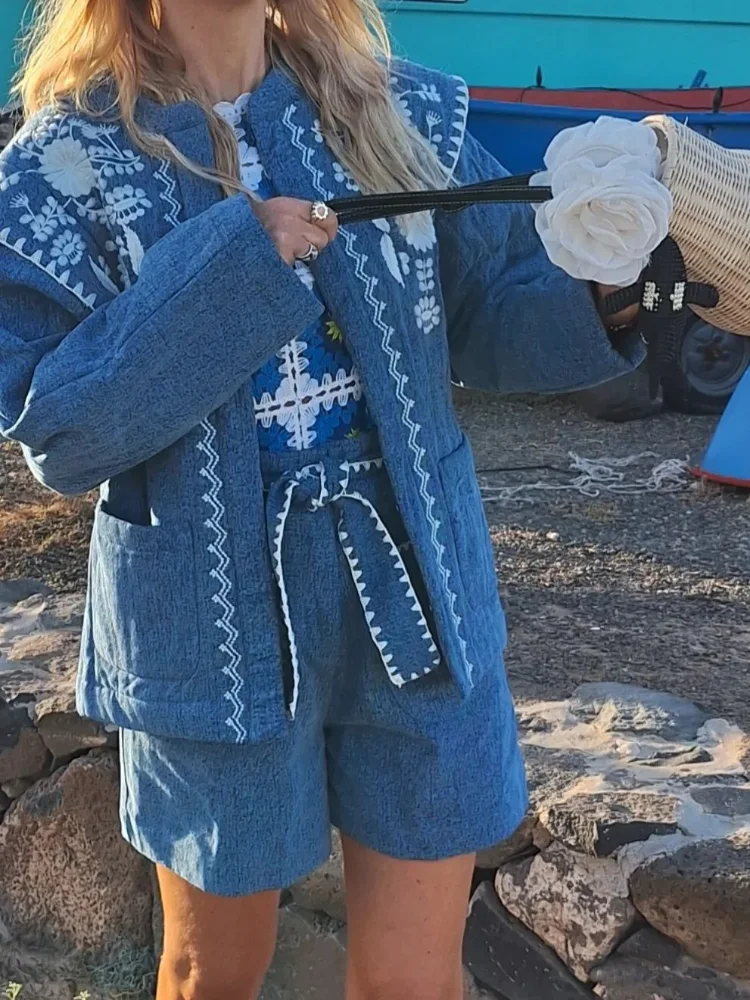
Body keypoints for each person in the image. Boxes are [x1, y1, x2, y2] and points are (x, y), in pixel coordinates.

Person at [0, 1, 641, 997]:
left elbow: (486, 317)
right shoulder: (65, 164)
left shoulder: (400, 116)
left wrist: (608, 292)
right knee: (213, 971)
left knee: (415, 982)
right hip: (206, 628)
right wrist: (231, 266)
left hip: (418, 600)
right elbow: (63, 427)